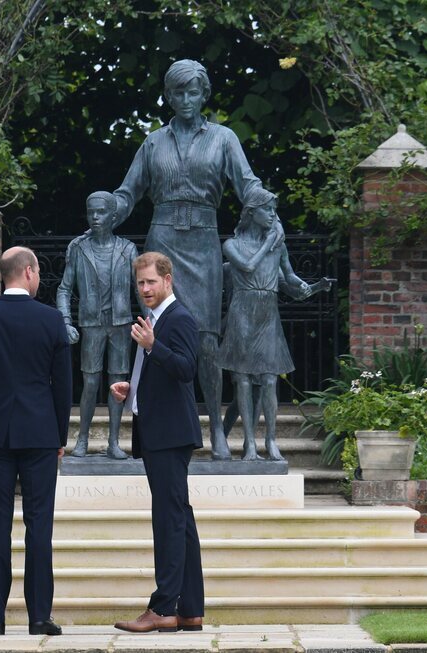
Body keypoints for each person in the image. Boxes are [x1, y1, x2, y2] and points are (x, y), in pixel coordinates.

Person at [112, 58, 276, 460]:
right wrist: (104, 214)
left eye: (193, 91)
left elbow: (247, 183)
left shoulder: (223, 138)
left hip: (203, 241)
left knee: (205, 339)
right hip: (163, 237)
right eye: (178, 92)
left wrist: (268, 210)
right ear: (168, 96)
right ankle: (153, 421)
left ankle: (218, 429)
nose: (186, 99)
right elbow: (128, 192)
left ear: (205, 94)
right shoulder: (153, 142)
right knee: (157, 334)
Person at [0, 246, 72, 637]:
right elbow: (63, 387)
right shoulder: (51, 320)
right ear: (28, 271)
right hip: (40, 435)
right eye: (37, 271)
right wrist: (59, 435)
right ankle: (39, 616)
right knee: (40, 526)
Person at [110, 252, 204, 633]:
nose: (145, 289)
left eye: (150, 282)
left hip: (169, 436)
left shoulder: (178, 318)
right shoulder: (154, 320)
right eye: (140, 284)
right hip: (160, 431)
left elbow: (186, 369)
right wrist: (132, 391)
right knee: (180, 519)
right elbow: (163, 376)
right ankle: (191, 610)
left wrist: (152, 345)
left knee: (168, 520)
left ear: (168, 280)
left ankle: (163, 608)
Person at [219, 190, 332, 461]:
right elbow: (246, 267)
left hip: (267, 312)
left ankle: (270, 440)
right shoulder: (232, 245)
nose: (272, 214)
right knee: (243, 381)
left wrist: (312, 286)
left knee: (270, 379)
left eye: (273, 210)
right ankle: (248, 444)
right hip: (242, 311)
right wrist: (268, 242)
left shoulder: (278, 246)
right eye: (267, 210)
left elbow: (289, 277)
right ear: (251, 213)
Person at [57, 191, 138, 459]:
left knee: (118, 384)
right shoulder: (78, 249)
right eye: (91, 212)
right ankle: (82, 440)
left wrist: (155, 319)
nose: (94, 217)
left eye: (101, 212)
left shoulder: (127, 249)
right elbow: (64, 290)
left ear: (114, 217)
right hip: (91, 325)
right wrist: (65, 321)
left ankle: (114, 442)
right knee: (90, 384)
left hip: (120, 324)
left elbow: (140, 290)